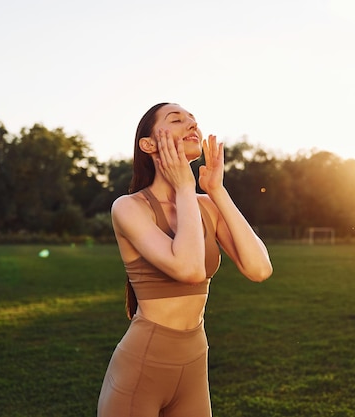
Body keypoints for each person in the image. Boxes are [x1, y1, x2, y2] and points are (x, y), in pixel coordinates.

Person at [97, 103, 273, 417]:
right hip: (141, 368)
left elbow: (259, 268)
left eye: (194, 120)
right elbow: (189, 269)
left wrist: (217, 191)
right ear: (149, 145)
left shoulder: (207, 205)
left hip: (194, 363)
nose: (191, 124)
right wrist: (183, 187)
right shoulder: (129, 207)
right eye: (177, 119)